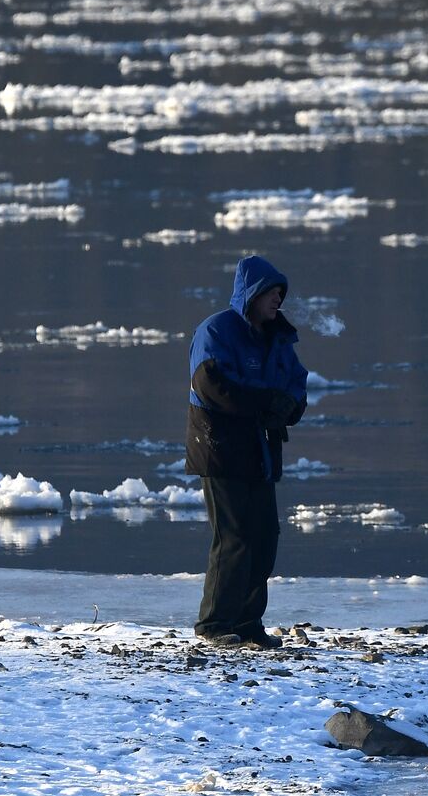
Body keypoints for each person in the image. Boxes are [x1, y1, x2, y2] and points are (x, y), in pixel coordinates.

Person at [186, 255, 309, 649]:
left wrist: (287, 406)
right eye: (272, 292)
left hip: (261, 451)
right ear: (252, 294)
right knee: (234, 537)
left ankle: (247, 622)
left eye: (280, 294)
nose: (278, 300)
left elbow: (296, 383)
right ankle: (215, 624)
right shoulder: (217, 330)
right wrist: (264, 403)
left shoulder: (276, 338)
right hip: (221, 450)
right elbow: (210, 386)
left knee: (264, 537)